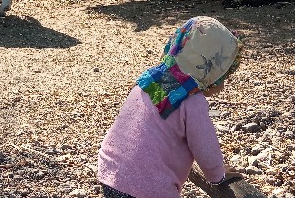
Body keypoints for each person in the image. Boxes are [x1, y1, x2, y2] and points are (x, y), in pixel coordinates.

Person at [97, 16, 244, 198]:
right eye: (224, 77)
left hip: (111, 170)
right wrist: (217, 175)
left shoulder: (151, 79)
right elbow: (205, 147)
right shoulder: (192, 101)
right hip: (147, 186)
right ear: (212, 74)